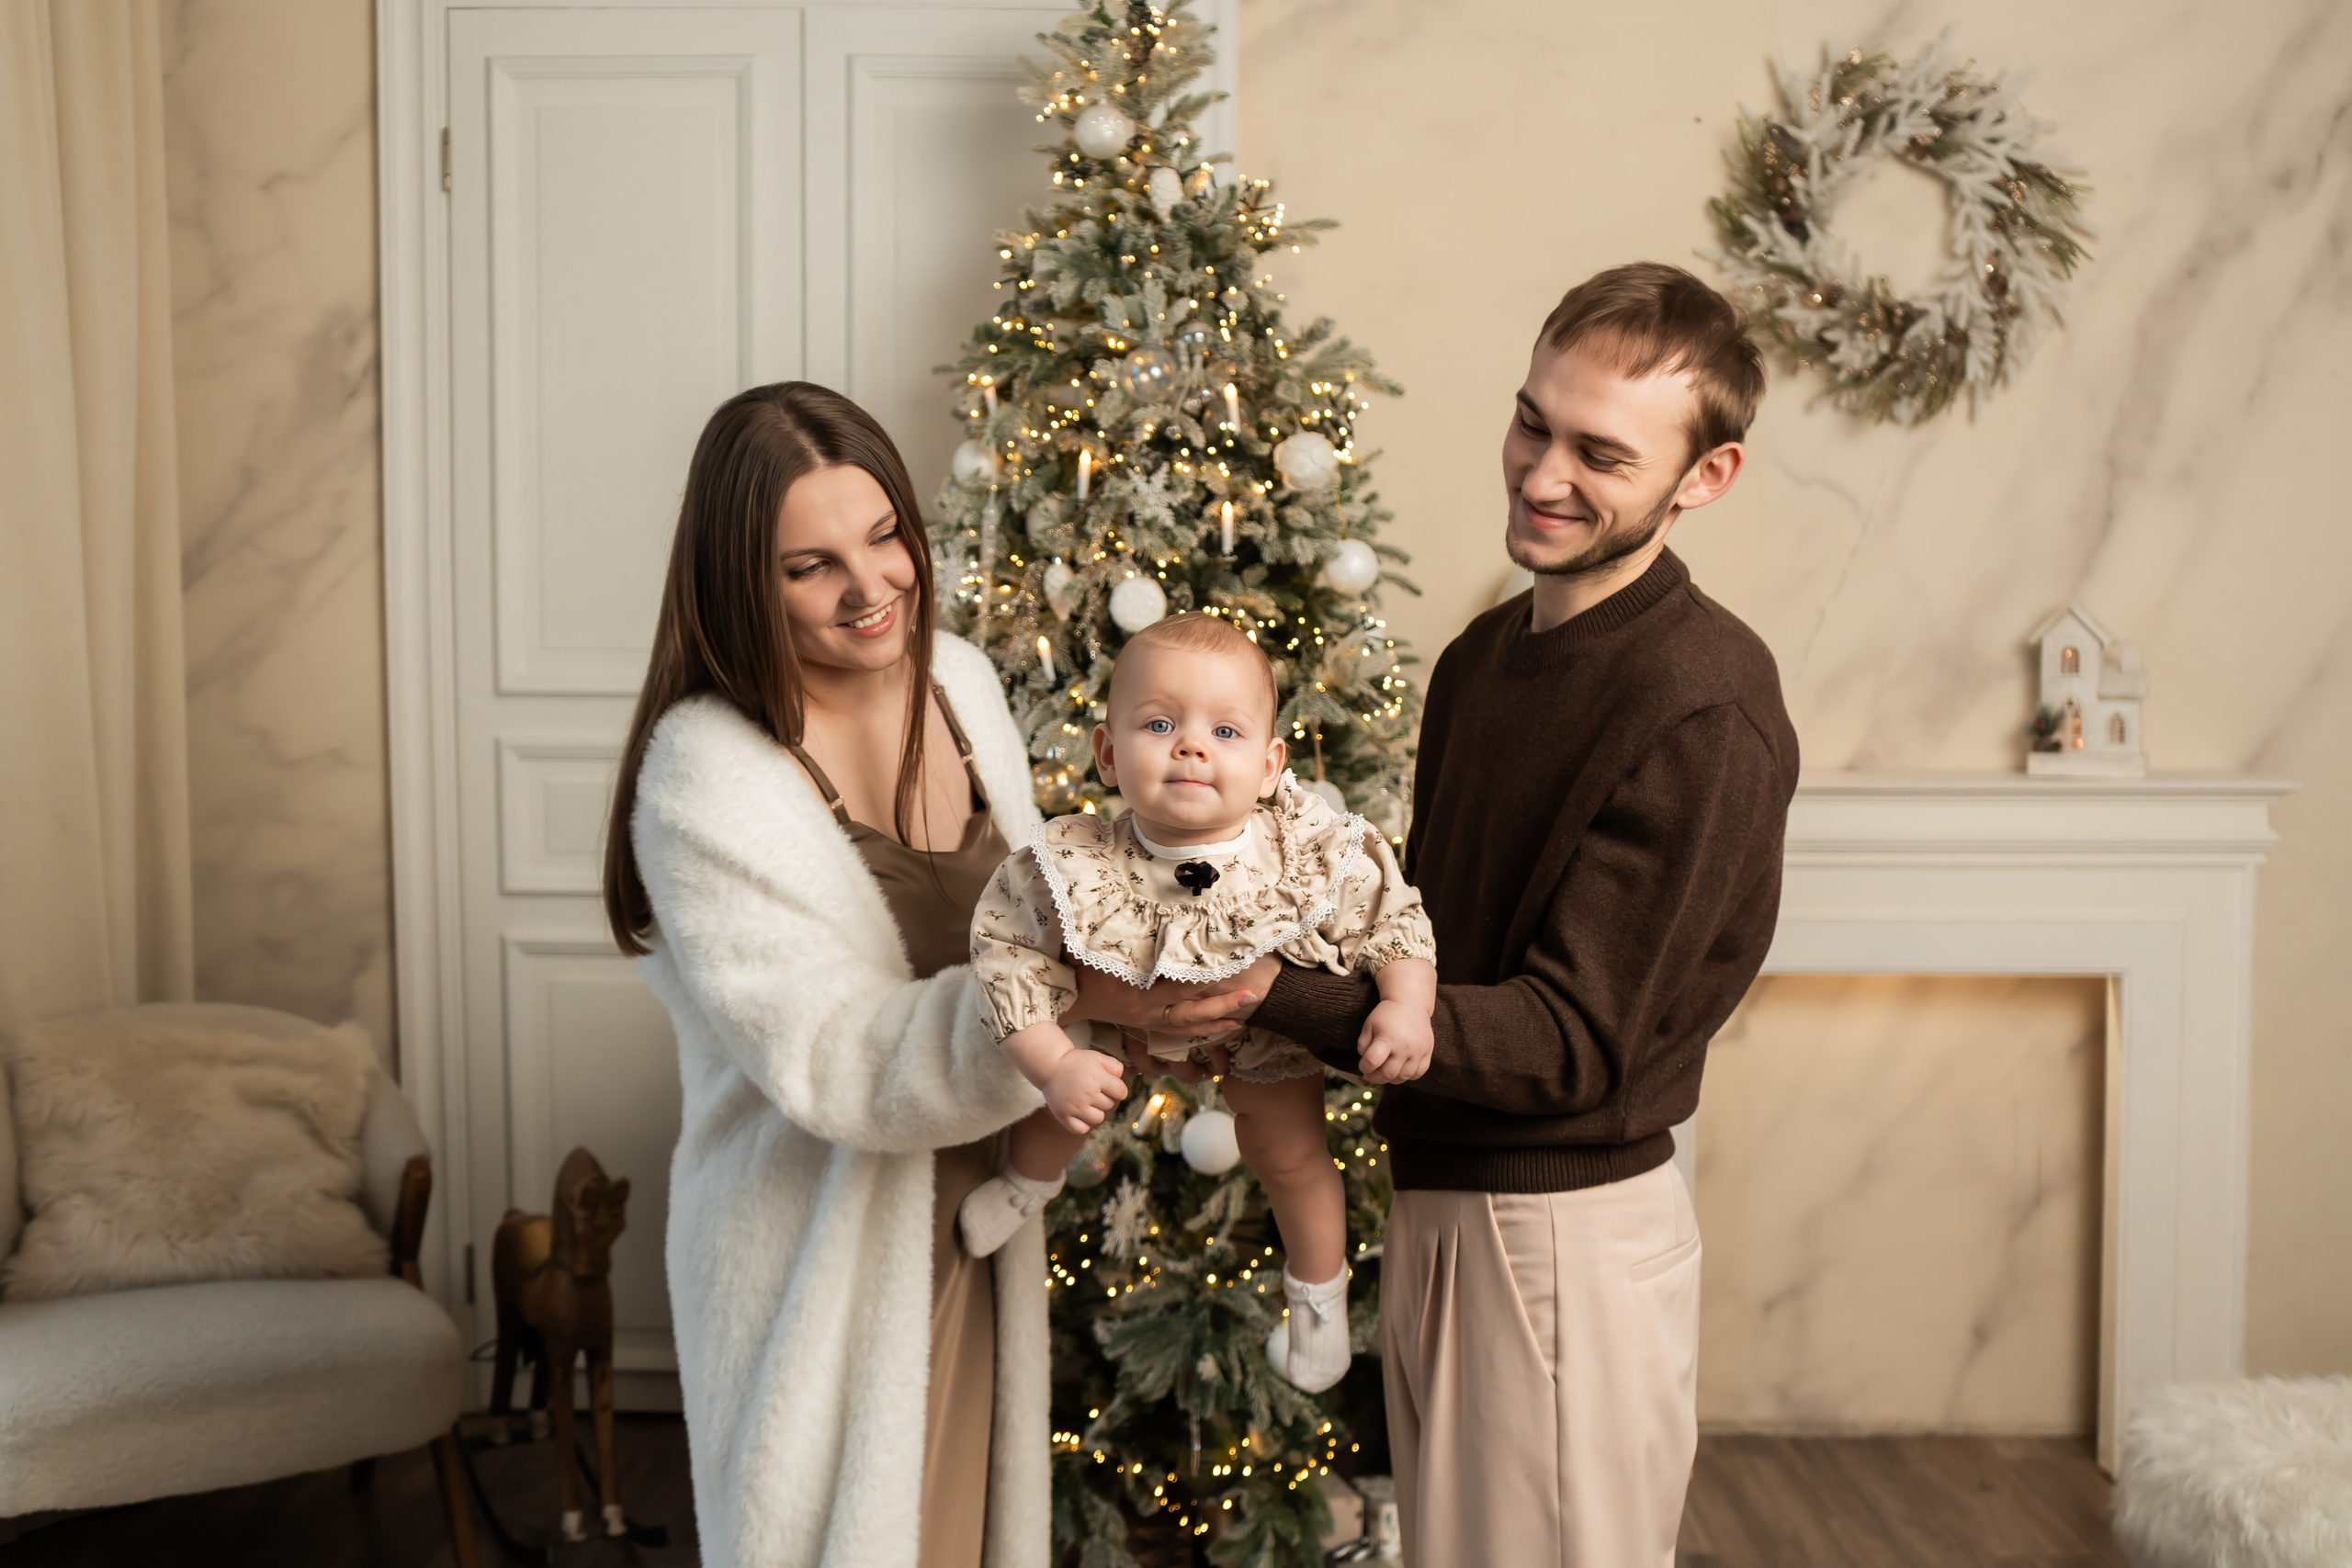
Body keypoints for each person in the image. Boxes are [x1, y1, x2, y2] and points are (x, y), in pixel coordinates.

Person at [1148, 263, 1801, 1565]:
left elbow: (1572, 1038)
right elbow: (1420, 942)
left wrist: (1267, 991)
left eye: (1599, 451)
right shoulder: (1484, 657)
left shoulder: (1705, 701)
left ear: (1706, 476)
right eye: (1531, 423)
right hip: (1444, 1201)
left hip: (1564, 1232)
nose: (1543, 473)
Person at [598, 382, 1256, 1568]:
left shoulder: (959, 682)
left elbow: (1036, 927)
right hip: (824, 1252)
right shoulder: (704, 775)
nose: (870, 587)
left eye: (884, 534)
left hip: (977, 1212)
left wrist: (1155, 1003)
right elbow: (837, 1058)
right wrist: (1086, 998)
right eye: (810, 564)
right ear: (738, 579)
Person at [956, 613, 1437, 1393]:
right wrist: (1052, 1064)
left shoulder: (1308, 851)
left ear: (1273, 763)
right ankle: (1025, 1183)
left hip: (1264, 1037)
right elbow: (1005, 951)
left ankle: (1318, 1298)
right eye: (1158, 723)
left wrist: (1407, 1006)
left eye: (1225, 729)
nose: (1191, 745)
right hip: (1121, 1023)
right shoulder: (1076, 863)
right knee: (1065, 1101)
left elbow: (1395, 919)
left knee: (1292, 1154)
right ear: (1108, 755)